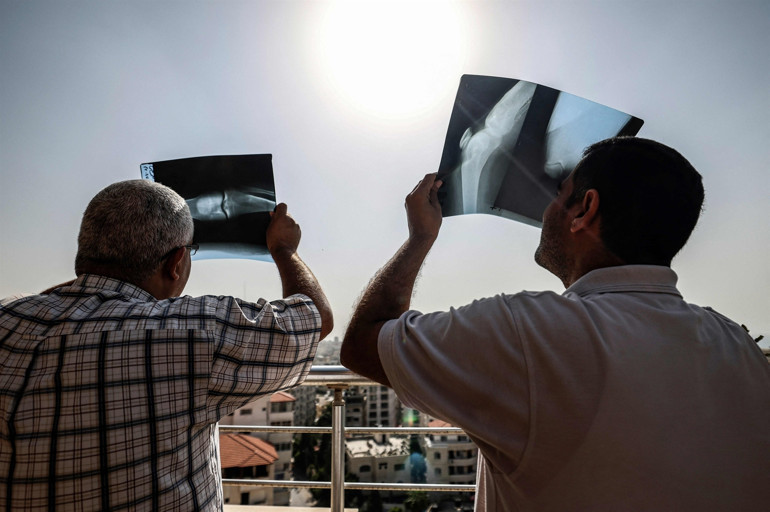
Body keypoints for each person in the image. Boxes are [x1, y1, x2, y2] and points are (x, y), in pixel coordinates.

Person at [341, 137, 770, 511]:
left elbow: (361, 342)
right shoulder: (740, 346)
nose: (544, 210)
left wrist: (420, 238)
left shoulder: (528, 331)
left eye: (557, 193)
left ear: (585, 208)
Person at [0, 179, 333, 511]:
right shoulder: (193, 333)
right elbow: (315, 318)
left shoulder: (8, 321)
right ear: (176, 263)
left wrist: (95, 274)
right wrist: (284, 250)